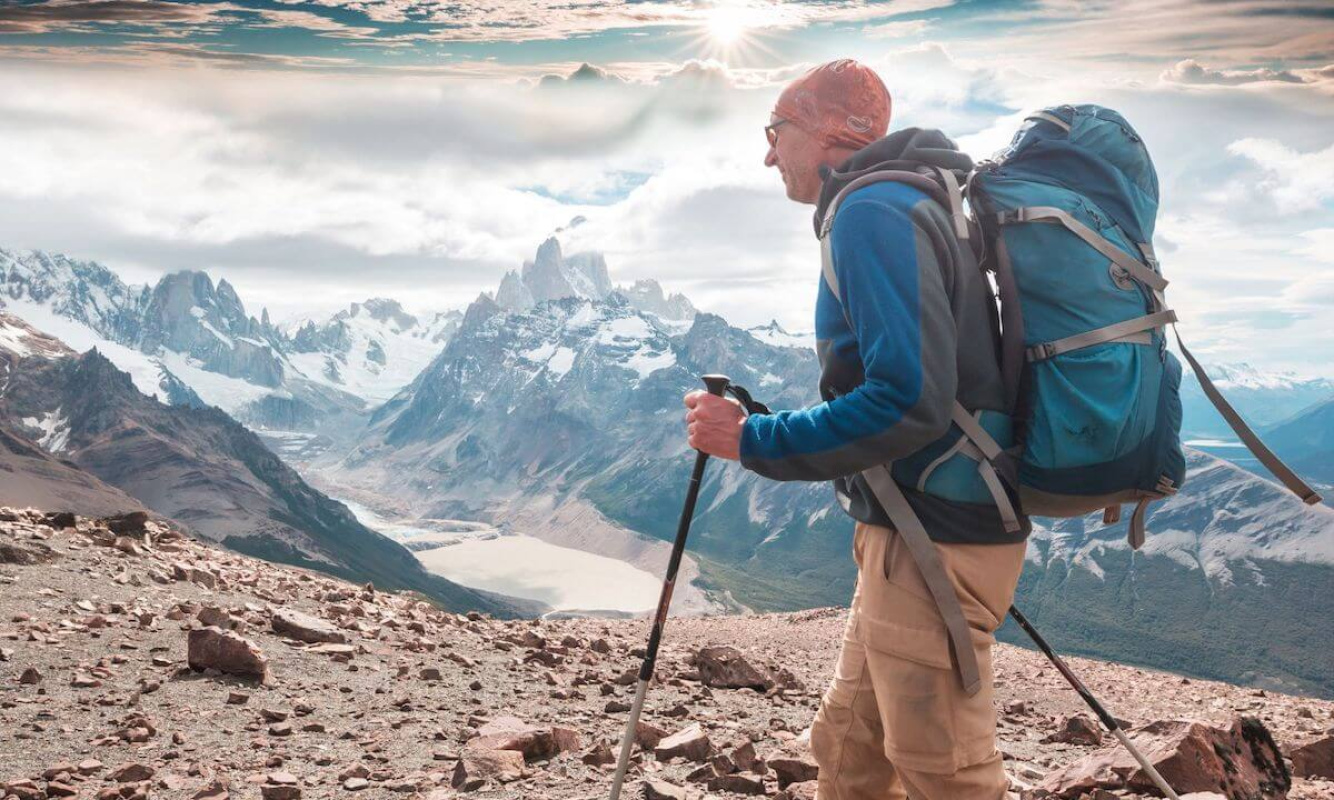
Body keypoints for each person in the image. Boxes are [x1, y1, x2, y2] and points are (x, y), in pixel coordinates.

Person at [683, 59, 1029, 800]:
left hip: (935, 535)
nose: (769, 153)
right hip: (912, 531)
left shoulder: (874, 212)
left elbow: (908, 401)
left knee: (944, 771)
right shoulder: (904, 201)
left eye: (777, 131)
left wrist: (750, 440)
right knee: (848, 751)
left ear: (829, 130)